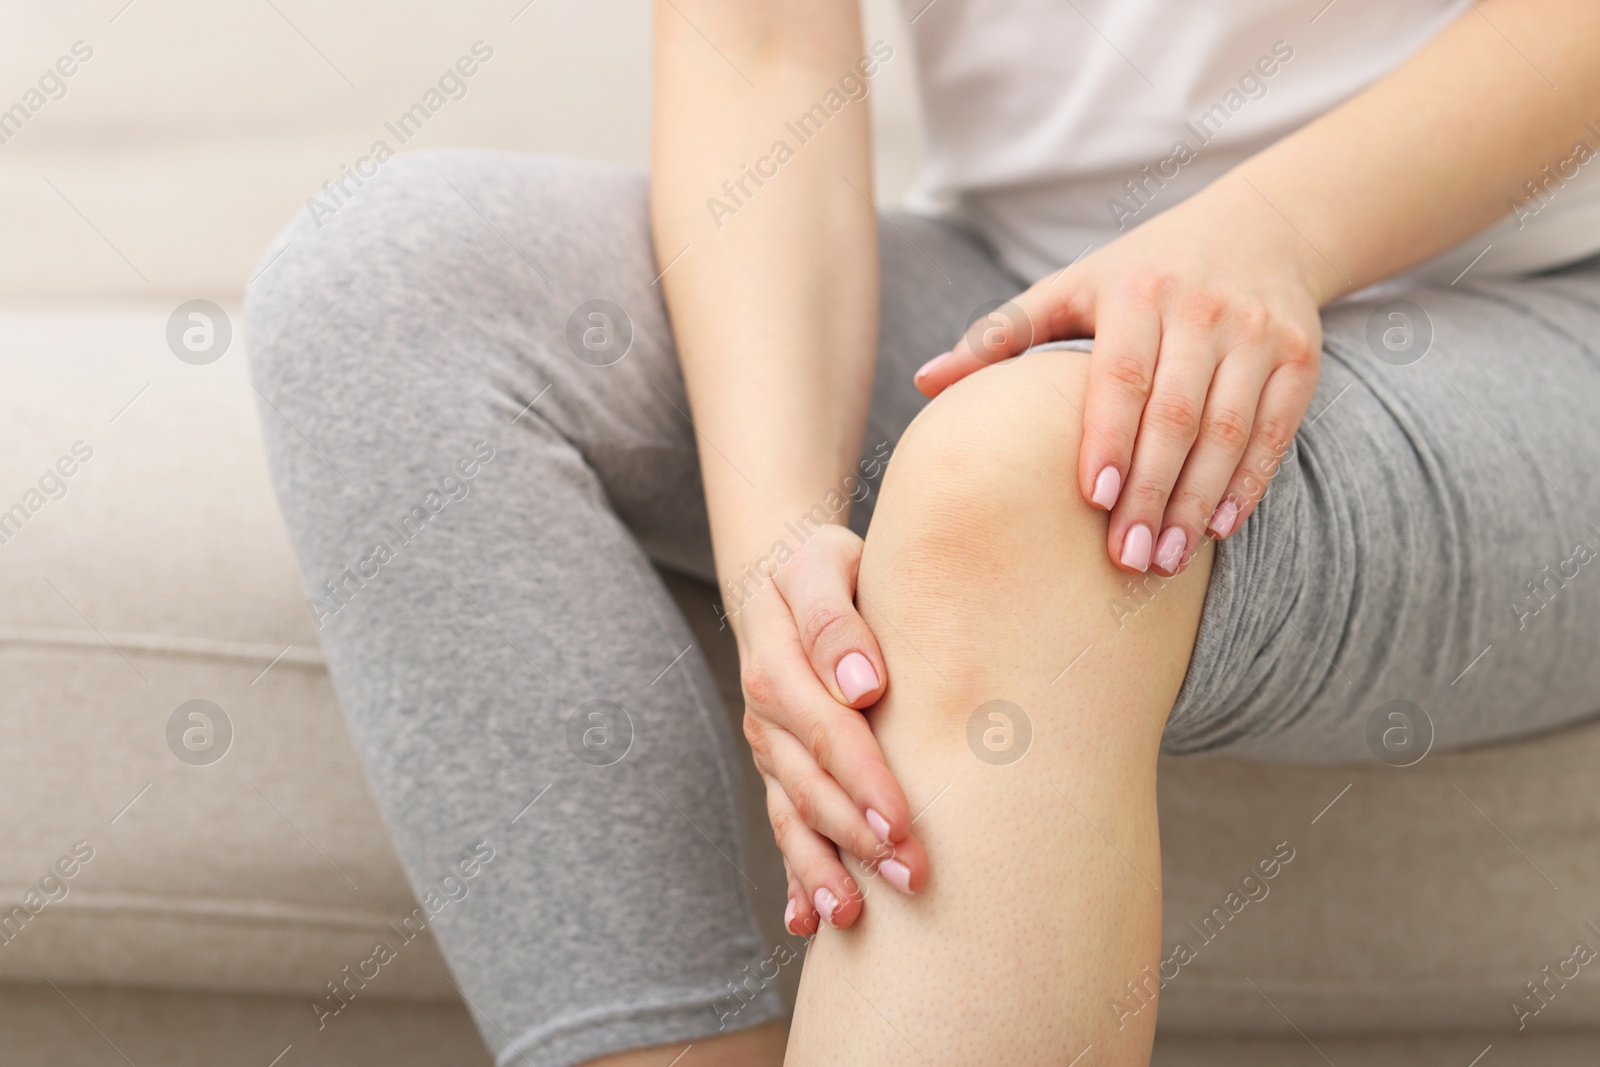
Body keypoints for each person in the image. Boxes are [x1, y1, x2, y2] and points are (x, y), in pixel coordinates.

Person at [246, 0, 1600, 1063]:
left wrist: (1271, 231)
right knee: (386, 291)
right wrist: (775, 537)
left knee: (1025, 477)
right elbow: (763, 45)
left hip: (1527, 300)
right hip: (1029, 280)